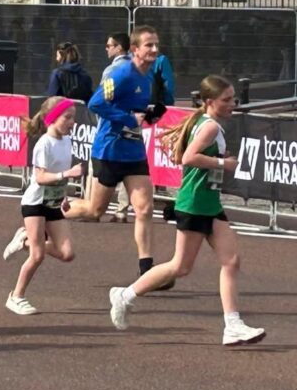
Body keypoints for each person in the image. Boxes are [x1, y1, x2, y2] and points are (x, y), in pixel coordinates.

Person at [108, 75, 265, 346]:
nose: (232, 104)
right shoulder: (210, 127)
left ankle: (232, 325)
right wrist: (222, 163)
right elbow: (188, 157)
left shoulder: (206, 123)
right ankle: (125, 296)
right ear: (209, 102)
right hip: (194, 203)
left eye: (233, 98)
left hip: (209, 203)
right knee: (179, 267)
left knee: (231, 261)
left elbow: (182, 156)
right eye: (226, 100)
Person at [63, 26, 168, 283]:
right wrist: (127, 118)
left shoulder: (148, 77)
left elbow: (138, 111)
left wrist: (151, 115)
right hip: (109, 150)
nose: (154, 50)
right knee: (94, 211)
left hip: (133, 152)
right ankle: (49, 214)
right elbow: (96, 103)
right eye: (148, 45)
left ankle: (146, 268)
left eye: (156, 45)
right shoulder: (122, 74)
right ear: (134, 49)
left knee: (144, 208)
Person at [4, 98, 81, 315]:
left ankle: (25, 239)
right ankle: (16, 297)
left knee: (67, 253)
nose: (72, 122)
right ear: (51, 119)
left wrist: (63, 195)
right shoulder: (44, 144)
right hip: (35, 203)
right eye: (67, 117)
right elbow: (40, 177)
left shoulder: (66, 141)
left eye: (73, 117)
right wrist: (67, 174)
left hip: (53, 202)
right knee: (37, 256)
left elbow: (58, 177)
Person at [101, 33, 132, 224]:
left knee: (102, 166)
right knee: (130, 167)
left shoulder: (112, 70)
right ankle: (122, 209)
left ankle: (96, 205)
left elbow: (105, 98)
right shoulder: (139, 68)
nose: (106, 48)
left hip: (112, 124)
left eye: (109, 45)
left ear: (119, 47)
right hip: (132, 123)